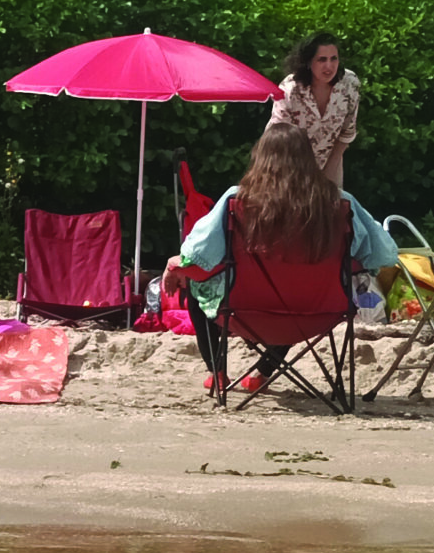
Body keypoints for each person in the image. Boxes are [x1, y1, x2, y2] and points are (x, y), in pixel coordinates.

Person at [171, 125, 399, 388]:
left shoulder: (238, 201)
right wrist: (351, 264)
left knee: (198, 288)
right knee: (296, 293)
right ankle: (262, 373)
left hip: (244, 311)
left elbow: (195, 255)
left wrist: (174, 267)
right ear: (308, 159)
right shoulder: (340, 203)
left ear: (260, 157)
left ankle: (218, 372)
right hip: (318, 312)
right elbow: (385, 254)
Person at [269, 33, 359, 186]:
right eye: (322, 60)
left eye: (333, 59)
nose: (329, 66)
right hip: (287, 164)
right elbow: (279, 138)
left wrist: (330, 170)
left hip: (331, 163)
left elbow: (347, 132)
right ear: (309, 62)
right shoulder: (290, 89)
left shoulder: (350, 84)